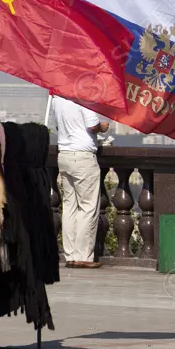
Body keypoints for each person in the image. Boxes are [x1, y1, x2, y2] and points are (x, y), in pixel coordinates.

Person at [54, 96, 109, 269]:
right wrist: (104, 126)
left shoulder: (57, 97)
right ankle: (83, 256)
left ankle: (70, 255)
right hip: (83, 156)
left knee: (69, 206)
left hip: (64, 154)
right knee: (88, 206)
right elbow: (92, 125)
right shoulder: (83, 95)